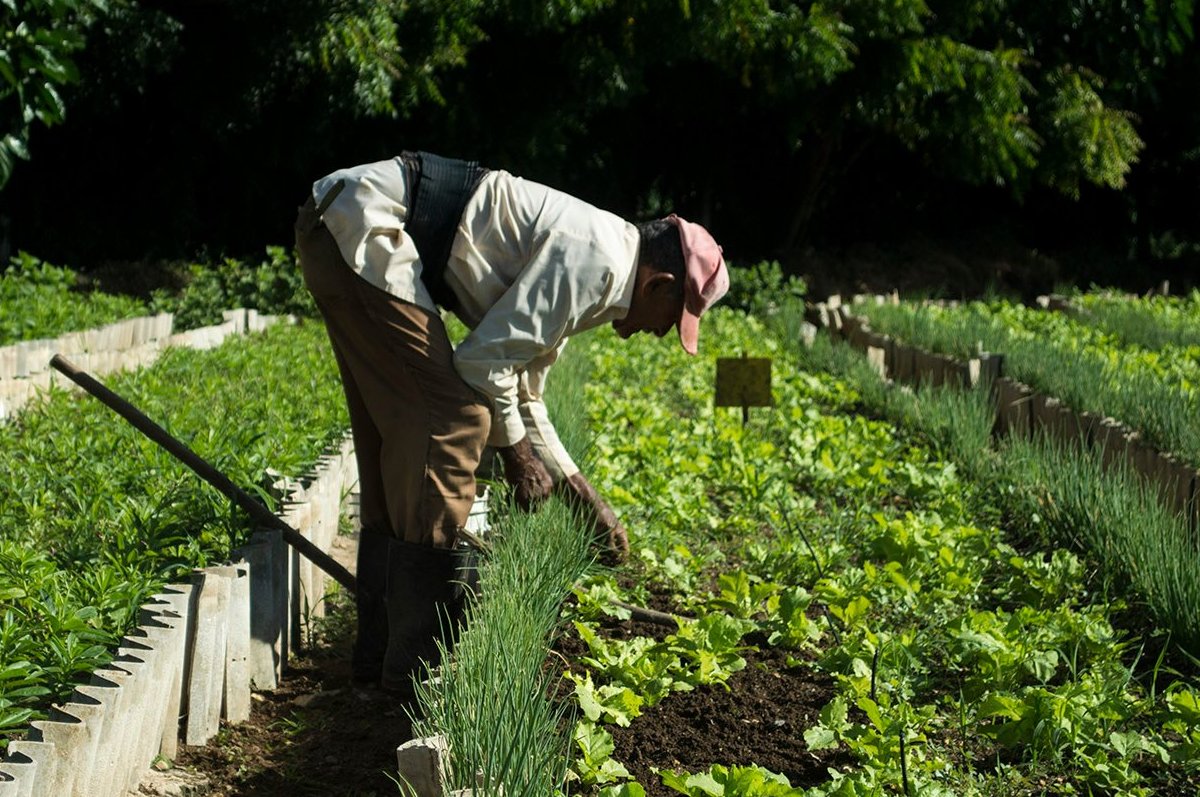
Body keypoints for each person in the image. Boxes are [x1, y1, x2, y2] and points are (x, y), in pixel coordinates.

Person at [294, 150, 729, 697]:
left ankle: (379, 654)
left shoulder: (602, 263)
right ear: (659, 285)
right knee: (454, 421)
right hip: (367, 229)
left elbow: (526, 397)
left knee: (401, 434)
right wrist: (516, 456)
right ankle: (413, 677)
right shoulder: (595, 264)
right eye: (676, 318)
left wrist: (583, 498)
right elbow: (481, 364)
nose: (665, 332)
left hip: (338, 223)